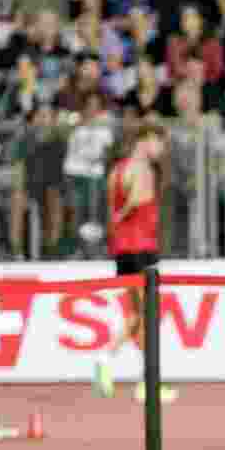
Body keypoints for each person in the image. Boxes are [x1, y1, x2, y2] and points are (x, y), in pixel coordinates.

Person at [94, 125, 179, 404]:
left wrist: (120, 217)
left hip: (122, 250)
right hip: (142, 249)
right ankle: (108, 357)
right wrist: (132, 206)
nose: (162, 150)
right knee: (146, 318)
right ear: (145, 141)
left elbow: (112, 211)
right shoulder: (143, 171)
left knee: (138, 319)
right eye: (159, 143)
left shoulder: (115, 171)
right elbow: (138, 201)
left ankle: (146, 381)